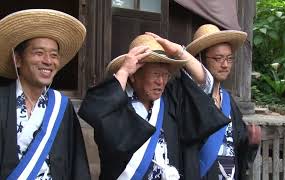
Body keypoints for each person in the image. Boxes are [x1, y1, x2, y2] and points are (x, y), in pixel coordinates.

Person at [78, 33, 231, 179]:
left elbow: (204, 82)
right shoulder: (117, 104)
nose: (161, 82)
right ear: (134, 74)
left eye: (165, 75)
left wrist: (179, 52)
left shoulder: (170, 99)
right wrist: (124, 70)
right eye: (156, 74)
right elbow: (93, 111)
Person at [0, 9, 91, 179]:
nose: (48, 61)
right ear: (17, 59)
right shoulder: (2, 101)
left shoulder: (61, 106)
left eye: (54, 55)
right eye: (39, 53)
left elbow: (77, 165)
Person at [186, 24, 261, 180]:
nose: (225, 65)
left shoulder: (228, 101)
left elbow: (238, 147)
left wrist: (251, 142)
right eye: (218, 58)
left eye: (229, 59)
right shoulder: (188, 99)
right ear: (200, 58)